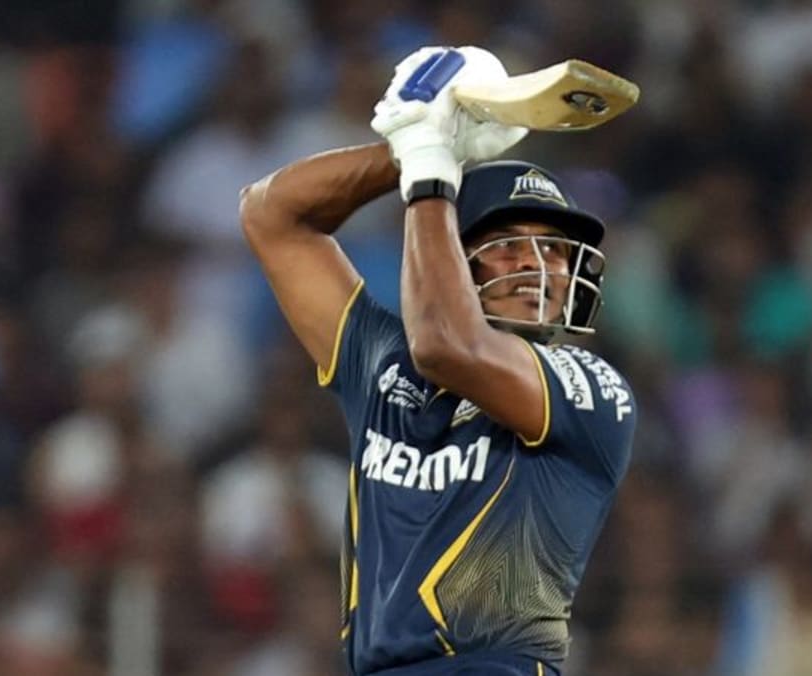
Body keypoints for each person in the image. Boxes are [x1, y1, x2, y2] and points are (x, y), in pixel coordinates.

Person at [239, 46, 637, 676]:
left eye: (556, 251)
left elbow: (446, 346)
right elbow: (271, 215)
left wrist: (429, 169)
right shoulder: (381, 363)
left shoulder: (587, 386)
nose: (536, 266)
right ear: (450, 252)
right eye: (507, 244)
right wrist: (417, 146)